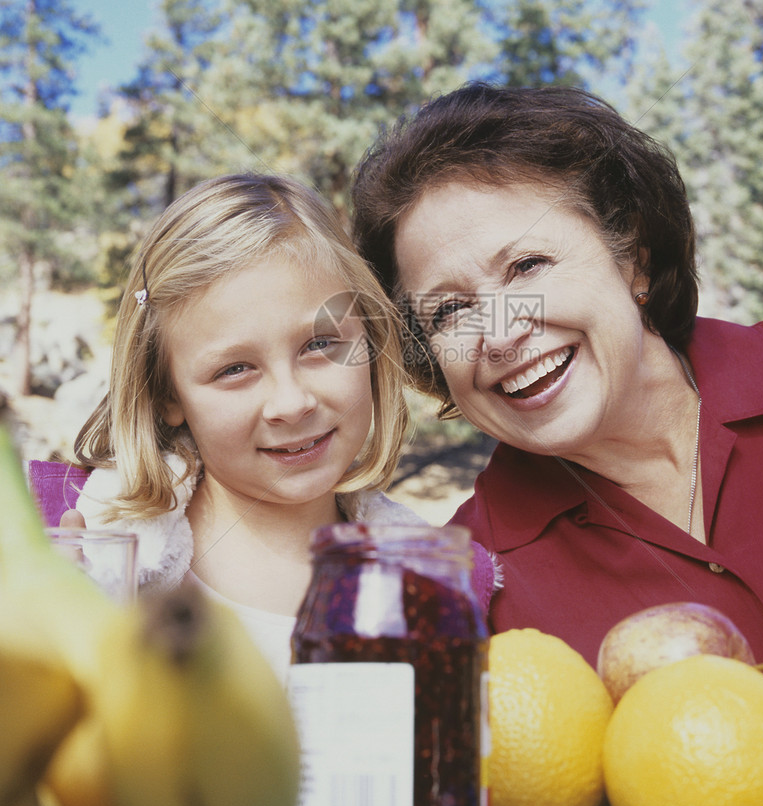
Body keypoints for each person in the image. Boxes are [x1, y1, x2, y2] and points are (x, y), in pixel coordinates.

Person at [351, 81, 763, 686]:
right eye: (449, 311)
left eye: (527, 266)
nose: (500, 334)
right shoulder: (467, 589)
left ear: (632, 258)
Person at [63, 172, 493, 686]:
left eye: (319, 345)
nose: (291, 403)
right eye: (234, 369)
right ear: (167, 395)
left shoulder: (438, 592)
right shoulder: (81, 551)